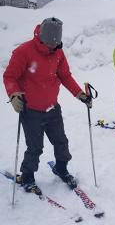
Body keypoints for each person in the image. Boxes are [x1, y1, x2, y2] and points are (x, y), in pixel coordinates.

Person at [3, 17, 92, 194]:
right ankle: (27, 176)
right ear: (42, 37)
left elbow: (65, 76)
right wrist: (13, 95)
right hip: (31, 109)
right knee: (35, 147)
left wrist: (79, 94)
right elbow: (10, 76)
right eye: (50, 44)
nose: (53, 47)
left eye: (56, 43)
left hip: (52, 108)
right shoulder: (23, 52)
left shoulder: (58, 52)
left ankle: (61, 168)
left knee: (61, 141)